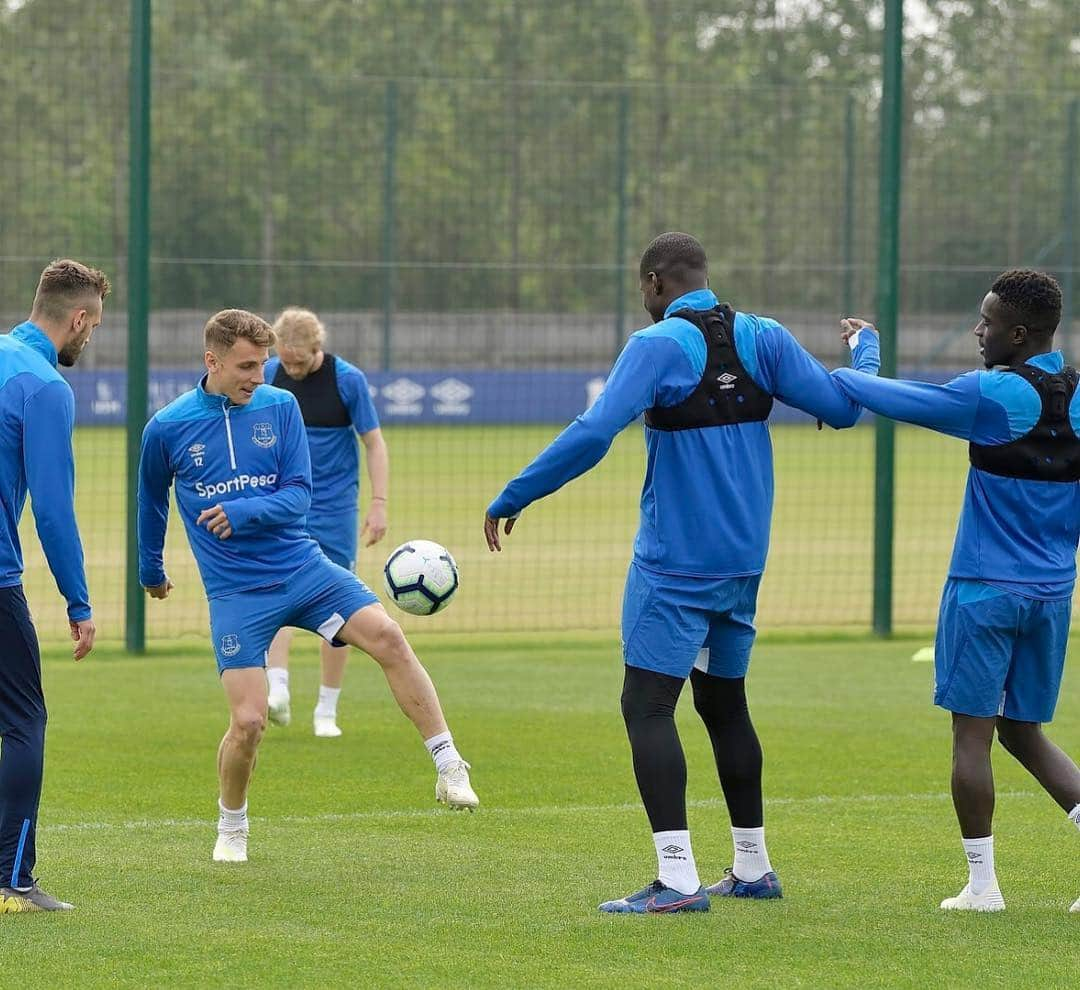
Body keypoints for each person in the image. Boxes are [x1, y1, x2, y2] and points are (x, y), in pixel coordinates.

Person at [484, 232, 880, 913]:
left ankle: (676, 880)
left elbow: (592, 431)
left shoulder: (657, 345)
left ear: (655, 284)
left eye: (643, 290)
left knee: (645, 706)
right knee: (724, 704)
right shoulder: (763, 336)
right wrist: (864, 348)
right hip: (743, 565)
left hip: (674, 568)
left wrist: (515, 493)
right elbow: (845, 410)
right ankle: (753, 868)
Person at [137, 309, 478, 864]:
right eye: (246, 366)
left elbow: (300, 495)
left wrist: (245, 510)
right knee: (248, 721)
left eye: (263, 364)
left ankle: (448, 763)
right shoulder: (168, 426)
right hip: (237, 594)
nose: (258, 375)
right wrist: (151, 570)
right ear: (212, 360)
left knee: (388, 636)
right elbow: (150, 501)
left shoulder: (281, 406)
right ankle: (233, 824)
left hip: (304, 569)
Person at [833, 269, 1080, 914]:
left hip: (982, 593)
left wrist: (862, 353)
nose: (978, 329)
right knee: (1024, 734)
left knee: (971, 739)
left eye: (988, 321)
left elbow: (889, 397)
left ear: (1018, 334)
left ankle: (982, 887)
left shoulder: (992, 394)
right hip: (1053, 596)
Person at [0, 259, 107, 914]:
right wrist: (79, 601)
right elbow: (55, 511)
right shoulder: (44, 386)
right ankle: (12, 878)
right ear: (77, 319)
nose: (87, 340)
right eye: (91, 328)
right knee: (23, 718)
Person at [262, 308, 389, 737]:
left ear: (319, 348)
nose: (291, 370)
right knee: (277, 594)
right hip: (282, 507)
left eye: (299, 361)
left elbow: (373, 443)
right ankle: (276, 689)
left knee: (338, 608)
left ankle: (326, 710)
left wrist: (378, 503)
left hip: (334, 510)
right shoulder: (269, 373)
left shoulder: (347, 380)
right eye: (286, 361)